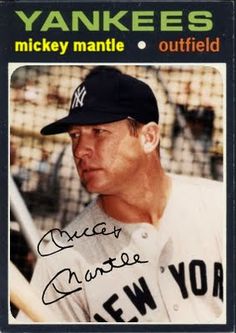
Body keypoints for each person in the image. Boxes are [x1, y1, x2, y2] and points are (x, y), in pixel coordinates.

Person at [17, 66, 224, 323]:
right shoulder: (62, 262)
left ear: (149, 137)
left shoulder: (220, 207)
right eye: (75, 135)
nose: (80, 149)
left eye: (99, 132)